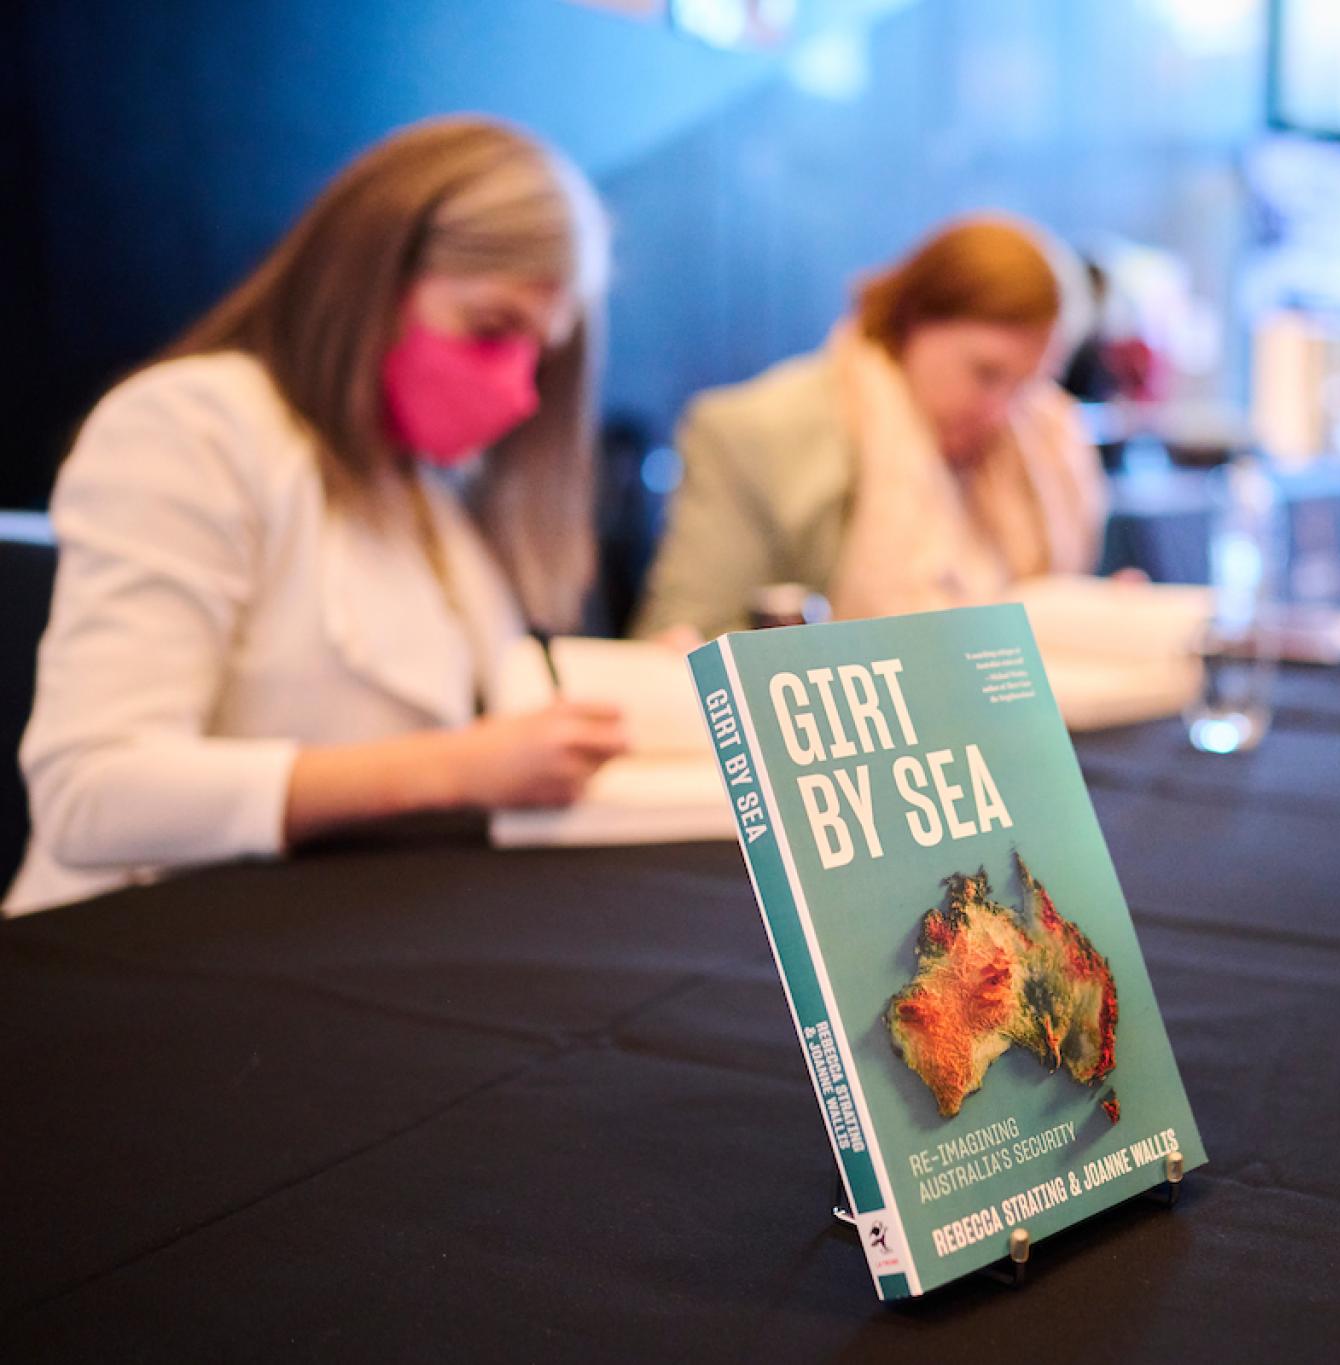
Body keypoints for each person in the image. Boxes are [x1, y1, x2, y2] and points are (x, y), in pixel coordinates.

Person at [4, 117, 627, 916]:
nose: (518, 389)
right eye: (490, 329)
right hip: (134, 942)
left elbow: (499, 730)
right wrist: (452, 767)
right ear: (372, 274)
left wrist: (642, 699)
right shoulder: (193, 427)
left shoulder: (424, 492)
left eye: (537, 352)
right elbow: (90, 792)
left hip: (333, 935)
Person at [630, 217, 1106, 643]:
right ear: (914, 324)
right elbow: (682, 638)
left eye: (1028, 386)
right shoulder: (756, 433)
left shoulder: (1041, 445)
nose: (1002, 412)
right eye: (985, 374)